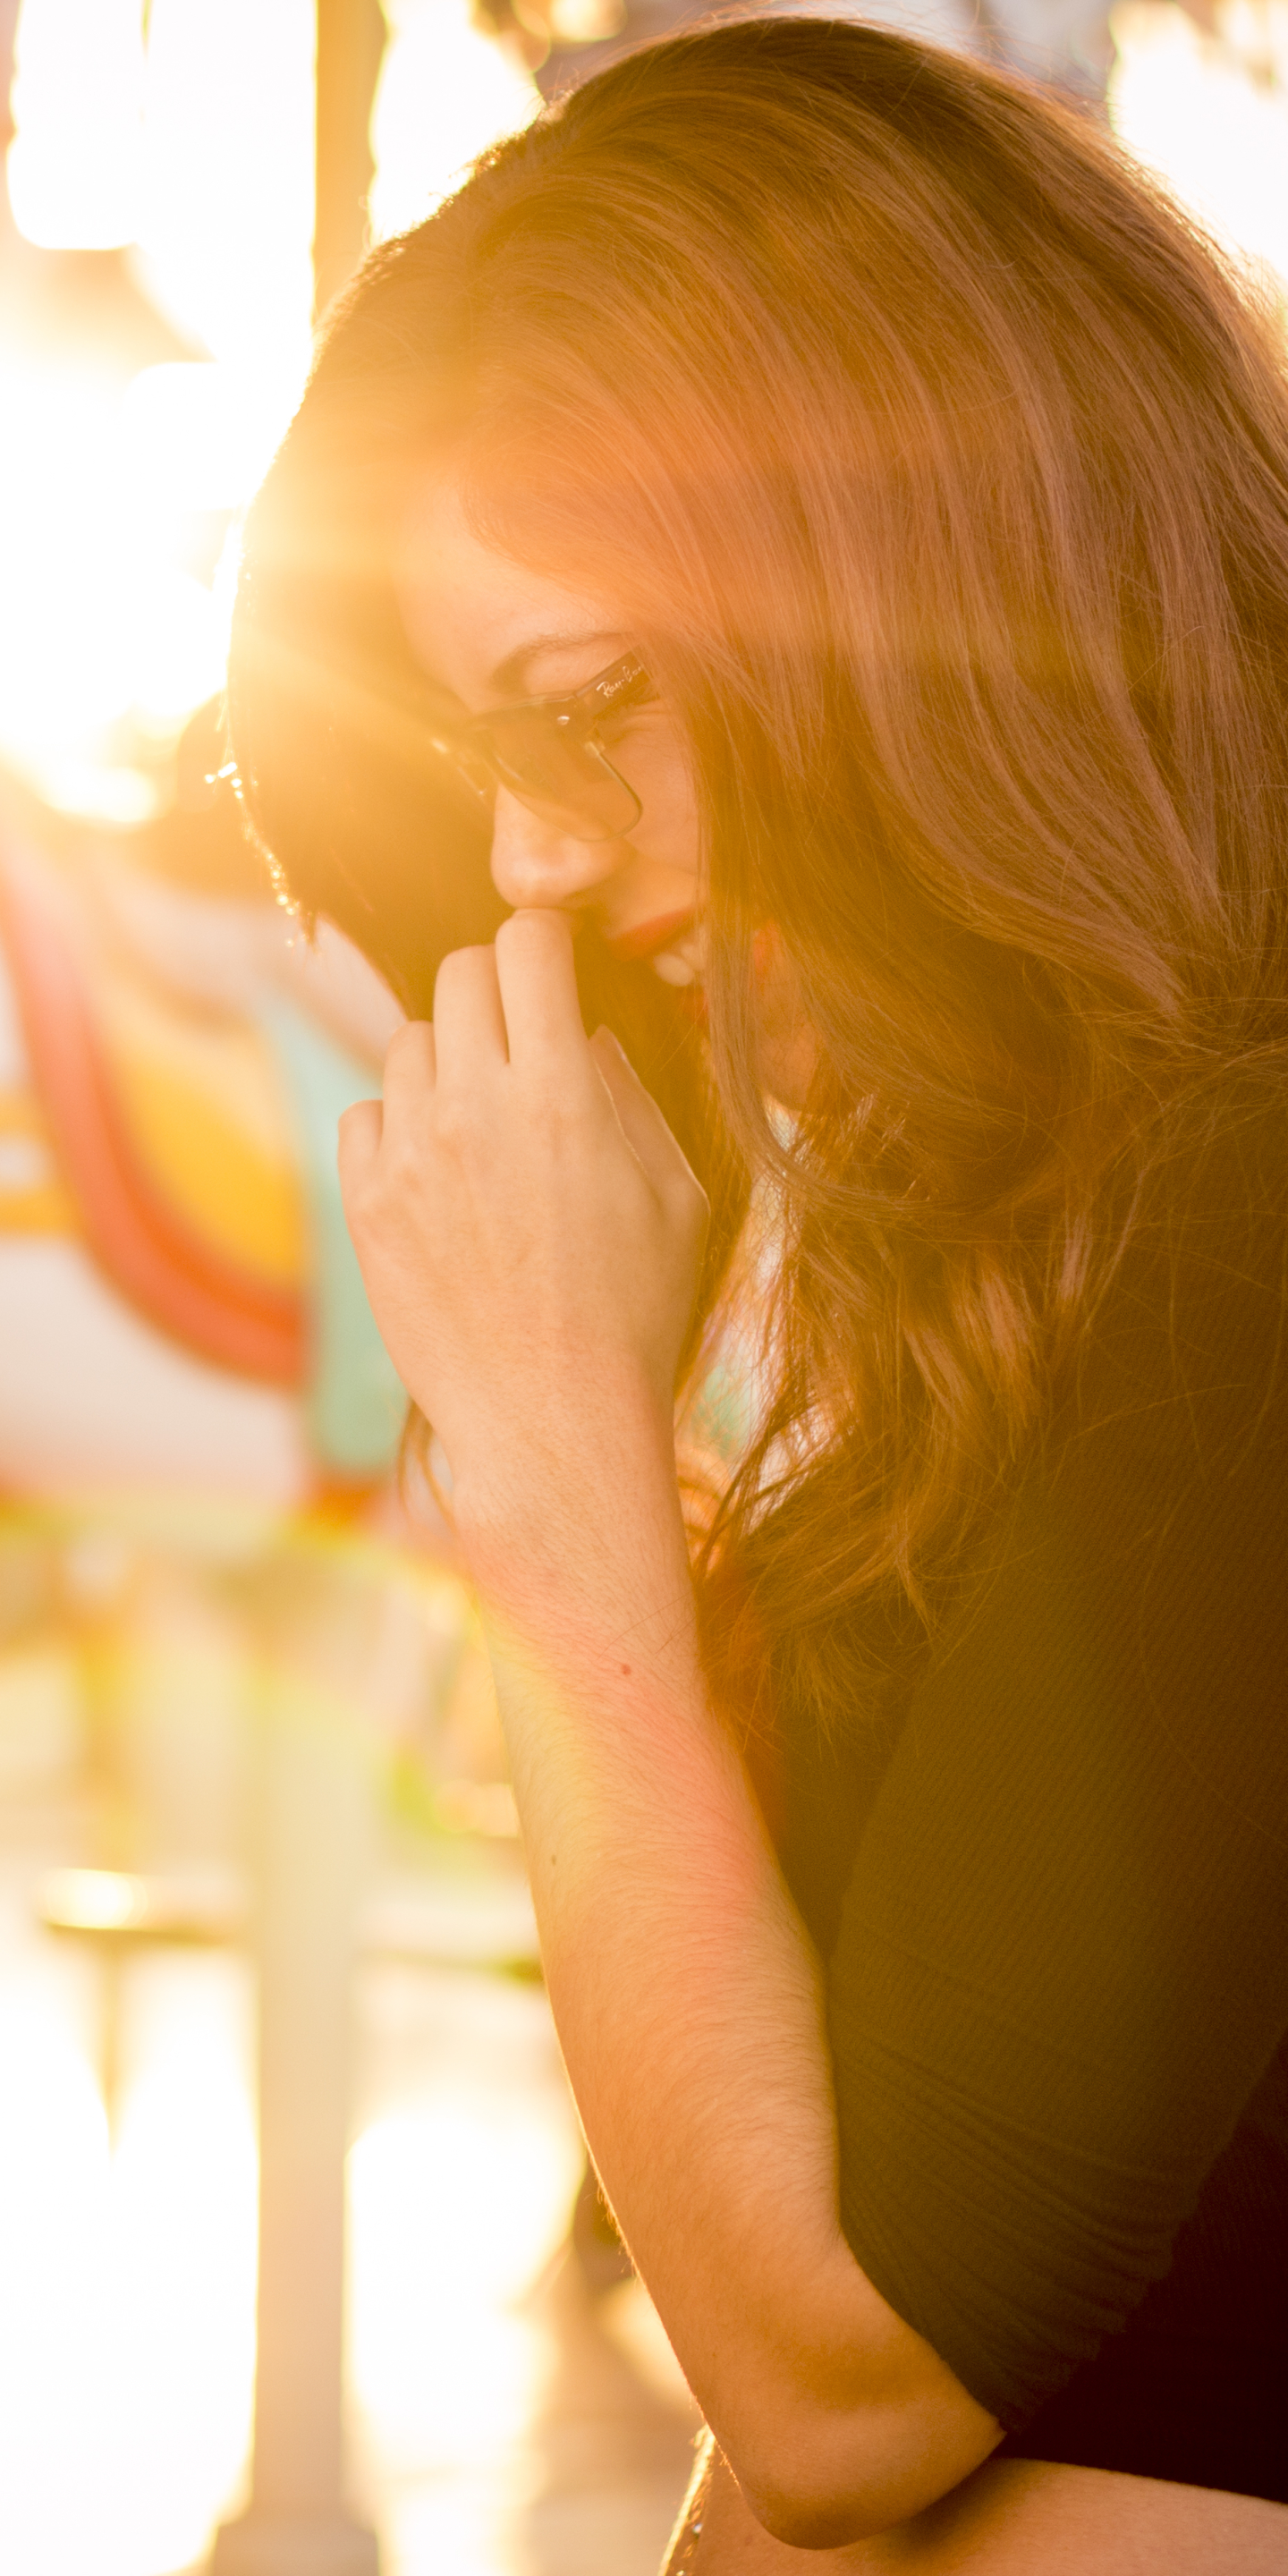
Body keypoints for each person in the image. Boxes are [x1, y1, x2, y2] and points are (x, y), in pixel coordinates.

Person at [225, 21, 1288, 2565]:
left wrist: (556, 1470)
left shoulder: (1243, 1220)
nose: (542, 866)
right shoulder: (1048, 1235)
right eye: (485, 767)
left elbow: (833, 2383)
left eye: (595, 709)